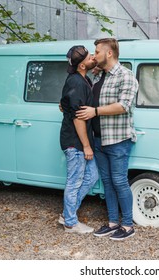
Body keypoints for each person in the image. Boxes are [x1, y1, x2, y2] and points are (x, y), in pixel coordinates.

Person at [76, 38, 139, 241]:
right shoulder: (98, 76)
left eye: (97, 52)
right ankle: (113, 223)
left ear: (109, 53)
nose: (94, 56)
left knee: (120, 181)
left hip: (118, 139)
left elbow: (123, 106)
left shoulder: (126, 76)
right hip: (99, 139)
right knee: (108, 183)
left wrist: (95, 111)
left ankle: (128, 225)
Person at [59, 45, 99, 234]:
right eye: (90, 57)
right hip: (75, 141)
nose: (93, 58)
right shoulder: (77, 82)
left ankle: (68, 213)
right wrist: (86, 146)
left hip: (81, 141)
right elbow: (77, 117)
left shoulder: (83, 78)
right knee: (75, 181)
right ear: (82, 65)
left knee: (92, 177)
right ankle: (70, 223)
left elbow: (67, 103)